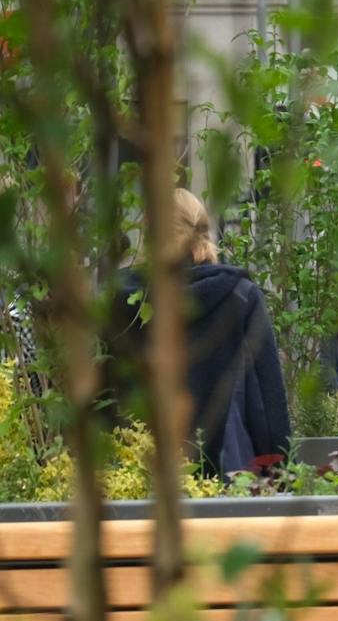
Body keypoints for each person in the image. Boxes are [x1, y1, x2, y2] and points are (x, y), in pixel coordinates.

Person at [110, 189, 292, 476]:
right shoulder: (240, 296)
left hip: (139, 477)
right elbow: (269, 404)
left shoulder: (124, 302)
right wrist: (281, 474)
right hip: (228, 476)